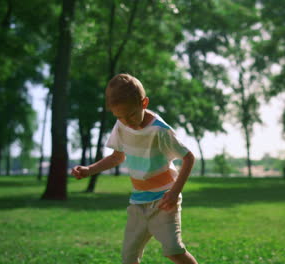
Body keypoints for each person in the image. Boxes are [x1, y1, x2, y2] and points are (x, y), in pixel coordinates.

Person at [71, 73, 198, 264]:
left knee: (174, 250)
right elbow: (116, 157)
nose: (126, 121)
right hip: (138, 204)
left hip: (164, 202)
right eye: (119, 116)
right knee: (129, 258)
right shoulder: (121, 125)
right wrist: (89, 170)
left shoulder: (159, 130)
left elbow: (188, 158)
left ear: (144, 103)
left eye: (130, 114)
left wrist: (174, 192)